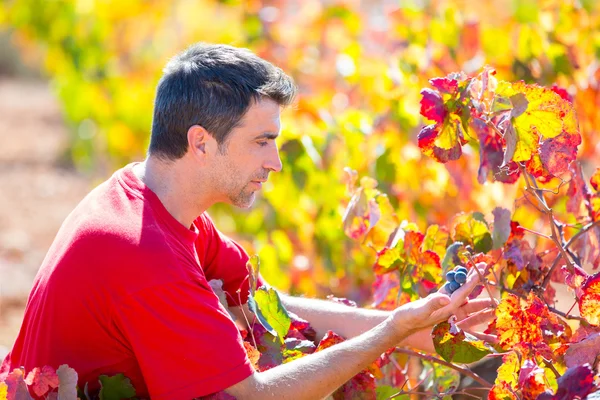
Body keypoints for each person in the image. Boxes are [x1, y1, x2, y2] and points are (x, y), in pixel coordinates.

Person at [0, 43, 493, 399]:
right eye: (262, 141)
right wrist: (386, 336)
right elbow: (251, 397)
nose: (275, 162)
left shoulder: (152, 197)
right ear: (200, 143)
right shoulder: (143, 254)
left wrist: (411, 326)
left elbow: (260, 303)